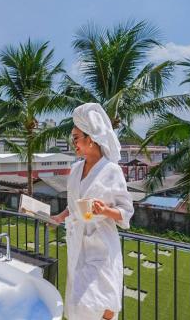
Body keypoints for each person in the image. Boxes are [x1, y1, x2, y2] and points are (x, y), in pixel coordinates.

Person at [51, 103, 134, 320]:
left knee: (103, 301)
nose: (73, 143)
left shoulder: (111, 171)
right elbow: (73, 205)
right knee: (80, 305)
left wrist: (105, 210)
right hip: (78, 245)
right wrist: (58, 217)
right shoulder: (76, 169)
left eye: (76, 137)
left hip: (102, 248)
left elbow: (126, 211)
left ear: (91, 138)